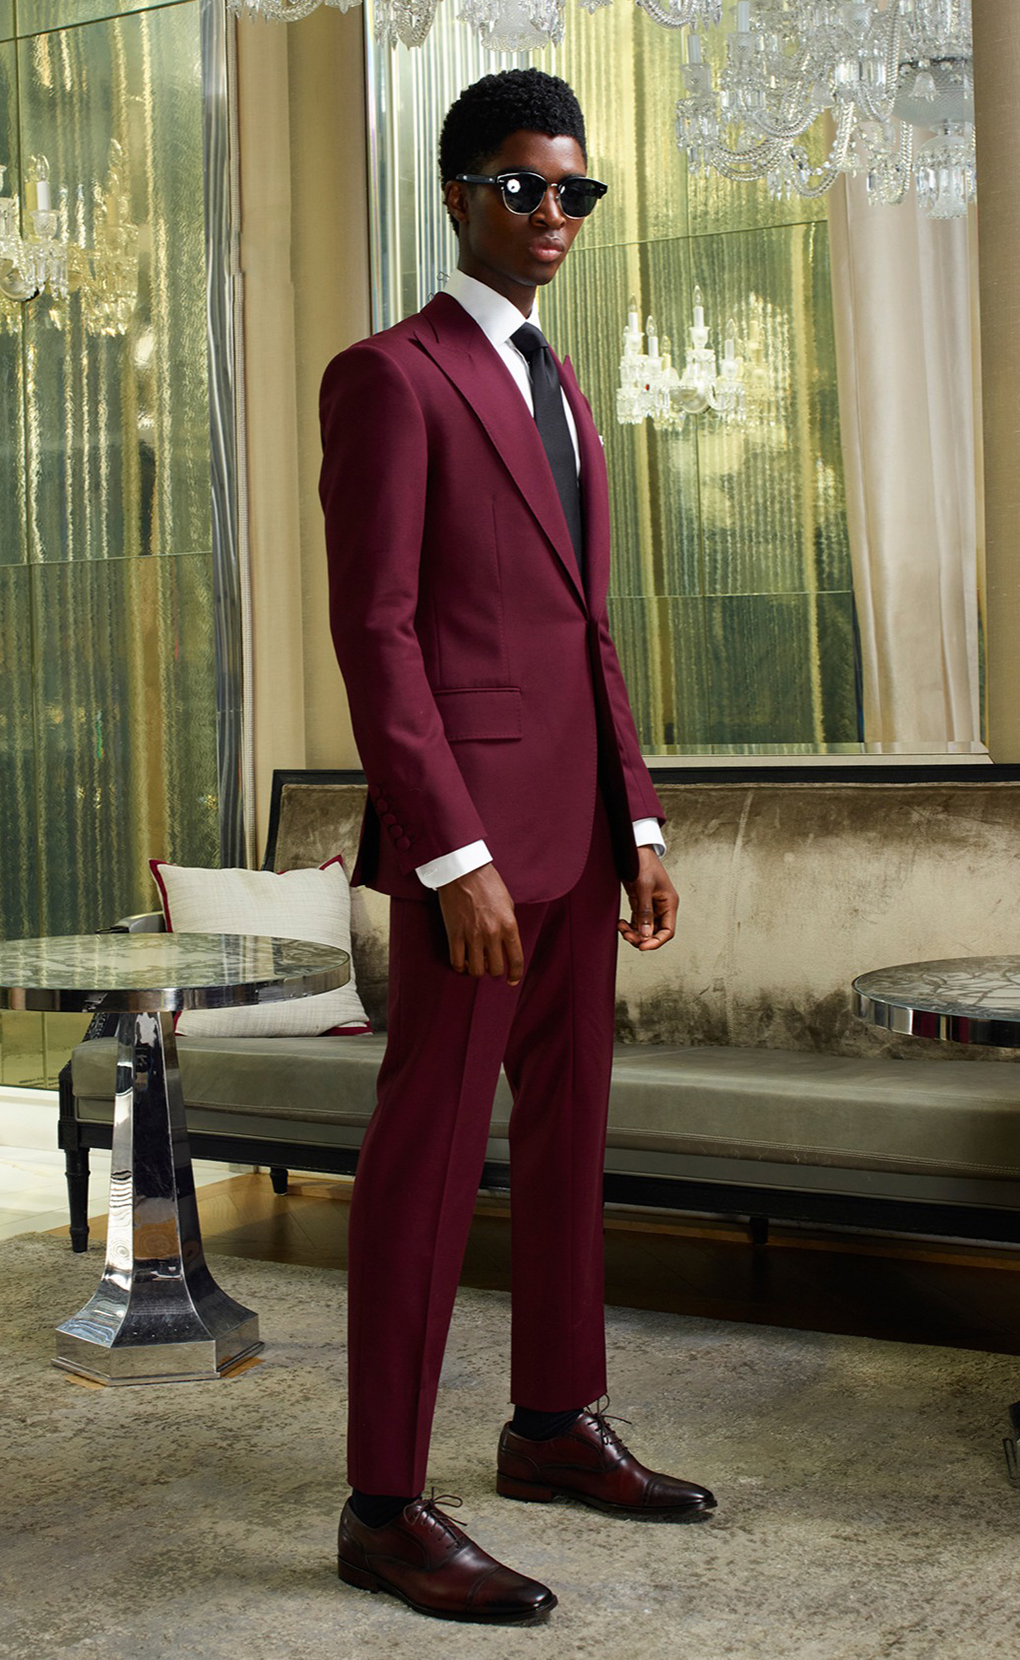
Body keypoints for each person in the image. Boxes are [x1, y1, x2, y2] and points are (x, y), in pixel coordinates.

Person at [319, 66, 716, 1625]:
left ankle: (551, 1424)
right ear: (456, 190)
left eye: (576, 193)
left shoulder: (562, 392)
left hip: (580, 842)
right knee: (424, 1167)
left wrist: (642, 821)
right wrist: (448, 855)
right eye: (524, 188)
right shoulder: (389, 376)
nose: (554, 216)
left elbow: (583, 631)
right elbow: (381, 637)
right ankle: (382, 1506)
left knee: (567, 1147)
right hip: (471, 864)